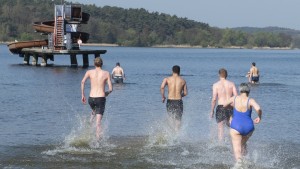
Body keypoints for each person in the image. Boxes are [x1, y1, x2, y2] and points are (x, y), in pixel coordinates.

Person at [223, 83, 262, 167]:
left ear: (240, 90)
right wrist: (259, 117)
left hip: (236, 127)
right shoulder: (250, 100)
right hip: (249, 127)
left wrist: (230, 114)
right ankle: (247, 161)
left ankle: (240, 165)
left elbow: (224, 105)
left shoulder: (234, 98)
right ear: (248, 91)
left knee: (237, 149)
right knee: (243, 144)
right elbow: (258, 109)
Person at [81, 57, 113, 139]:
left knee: (94, 110)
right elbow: (110, 89)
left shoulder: (89, 72)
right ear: (102, 63)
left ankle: (90, 122)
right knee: (98, 122)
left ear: (94, 64)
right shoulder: (106, 73)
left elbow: (82, 82)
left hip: (91, 98)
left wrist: (83, 95)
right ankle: (98, 141)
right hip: (100, 98)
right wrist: (107, 93)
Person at [210, 68, 238, 142]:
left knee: (220, 128)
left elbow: (214, 99)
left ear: (219, 75)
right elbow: (236, 97)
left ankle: (221, 145)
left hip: (221, 107)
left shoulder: (216, 85)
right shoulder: (231, 84)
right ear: (226, 75)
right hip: (230, 106)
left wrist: (212, 110)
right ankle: (234, 142)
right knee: (231, 126)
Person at [160, 65, 187, 132]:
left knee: (171, 118)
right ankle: (176, 135)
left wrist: (163, 96)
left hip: (170, 101)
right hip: (178, 101)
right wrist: (180, 95)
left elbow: (162, 87)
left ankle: (171, 134)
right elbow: (185, 93)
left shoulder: (167, 79)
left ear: (172, 71)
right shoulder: (183, 81)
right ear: (179, 71)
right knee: (178, 120)